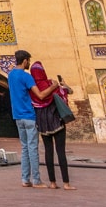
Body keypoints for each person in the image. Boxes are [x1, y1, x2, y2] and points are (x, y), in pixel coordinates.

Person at [28, 61, 74, 190]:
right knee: (60, 152)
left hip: (43, 124)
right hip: (56, 121)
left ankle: (52, 182)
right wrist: (61, 85)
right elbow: (67, 92)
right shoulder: (50, 84)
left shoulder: (32, 89)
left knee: (48, 152)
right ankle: (66, 183)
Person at [7, 49, 43, 188]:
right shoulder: (26, 76)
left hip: (17, 116)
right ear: (25, 61)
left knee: (25, 148)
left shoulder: (10, 75)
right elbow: (39, 95)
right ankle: (37, 180)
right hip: (29, 115)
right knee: (33, 148)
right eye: (28, 60)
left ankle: (25, 179)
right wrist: (53, 87)